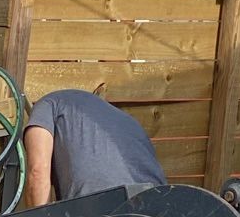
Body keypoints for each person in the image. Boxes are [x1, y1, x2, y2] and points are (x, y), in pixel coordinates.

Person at [22, 87, 168, 208]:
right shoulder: (126, 120)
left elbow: (37, 172)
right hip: (160, 206)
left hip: (99, 208)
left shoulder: (47, 105)